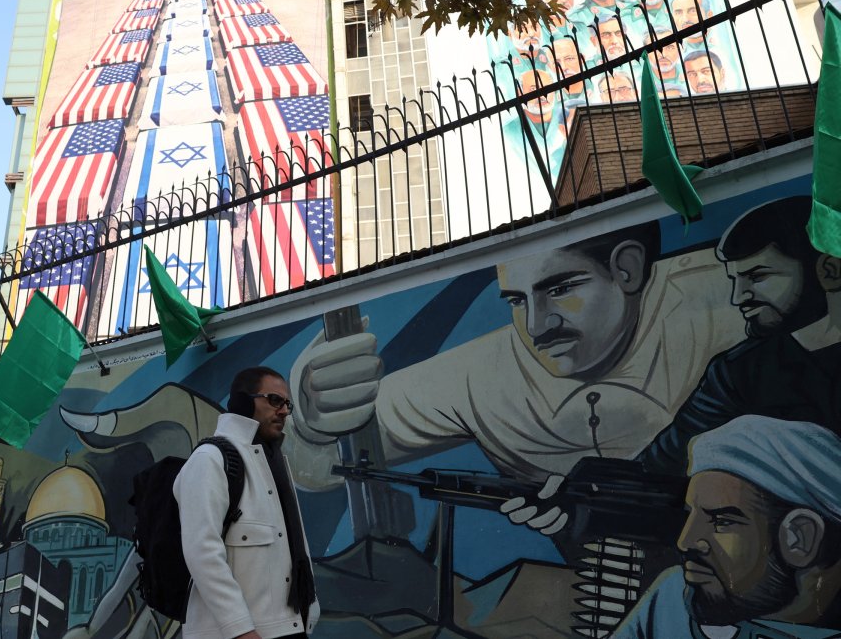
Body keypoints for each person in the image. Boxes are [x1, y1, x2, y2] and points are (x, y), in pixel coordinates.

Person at [286, 222, 744, 488]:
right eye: (517, 300)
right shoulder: (480, 378)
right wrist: (308, 416)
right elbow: (318, 463)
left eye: (561, 289)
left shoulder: (726, 296)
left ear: (627, 268)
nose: (536, 325)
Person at [637, 196, 841, 475]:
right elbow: (660, 466)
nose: (739, 297)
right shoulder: (737, 372)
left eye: (757, 277)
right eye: (736, 280)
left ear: (829, 271)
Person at [613, 415, 841, 637]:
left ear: (800, 538)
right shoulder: (672, 595)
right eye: (690, 516)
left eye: (721, 521)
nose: (685, 542)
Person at [174, 367, 320, 639]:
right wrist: (240, 629)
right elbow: (202, 551)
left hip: (287, 626)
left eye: (287, 404)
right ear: (243, 402)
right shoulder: (209, 459)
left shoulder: (272, 462)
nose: (284, 411)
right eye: (274, 400)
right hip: (239, 633)